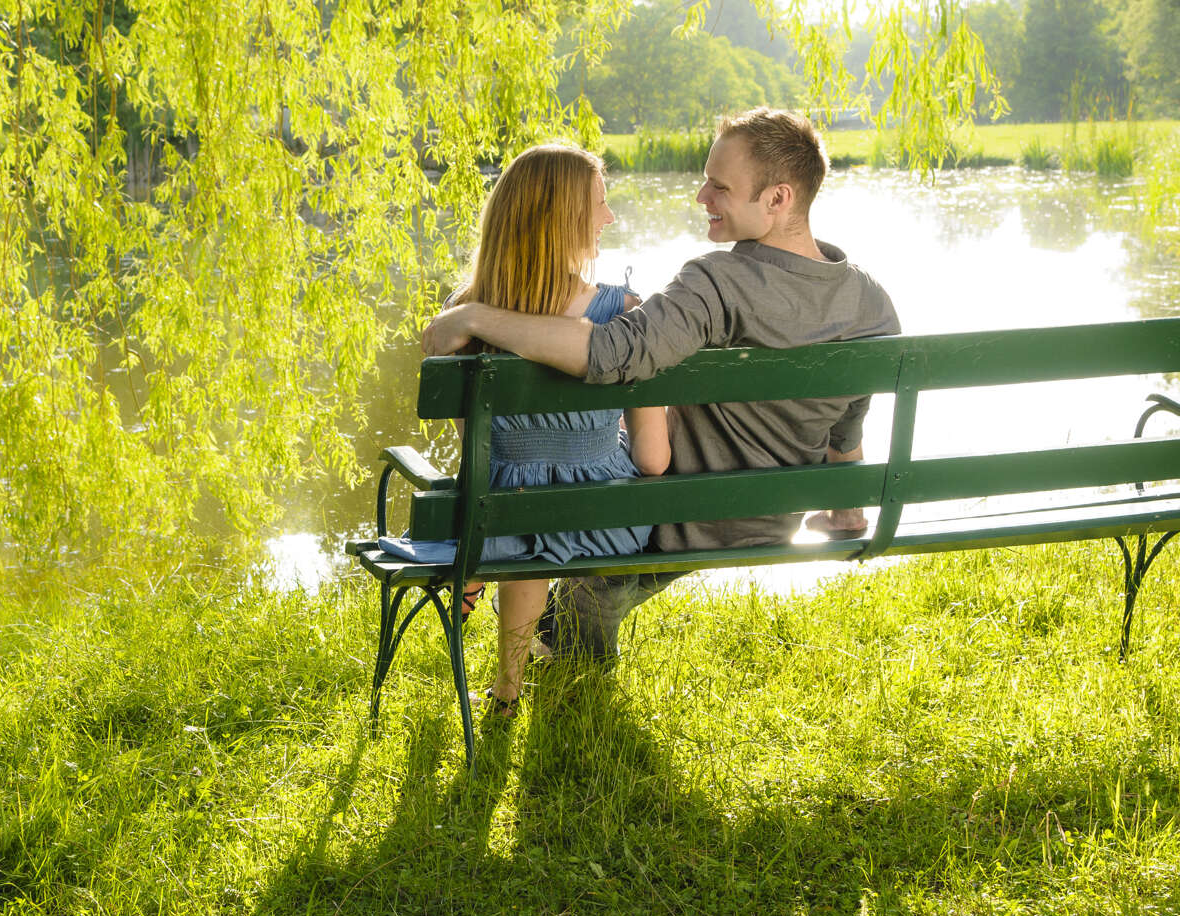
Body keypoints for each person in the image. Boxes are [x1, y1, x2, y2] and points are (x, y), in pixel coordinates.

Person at [422, 108, 902, 660]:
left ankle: (566, 674)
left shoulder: (715, 282)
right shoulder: (871, 301)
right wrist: (846, 505)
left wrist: (478, 317)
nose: (701, 196)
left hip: (684, 516)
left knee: (572, 482)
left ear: (777, 199)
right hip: (775, 517)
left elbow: (612, 352)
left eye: (719, 187)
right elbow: (847, 421)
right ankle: (546, 651)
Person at [386, 143, 670, 714]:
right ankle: (570, 643)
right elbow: (654, 461)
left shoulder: (462, 317)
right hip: (605, 527)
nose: (610, 217)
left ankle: (507, 688)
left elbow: (474, 443)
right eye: (600, 202)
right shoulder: (625, 311)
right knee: (559, 502)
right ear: (561, 217)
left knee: (520, 507)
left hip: (492, 526)